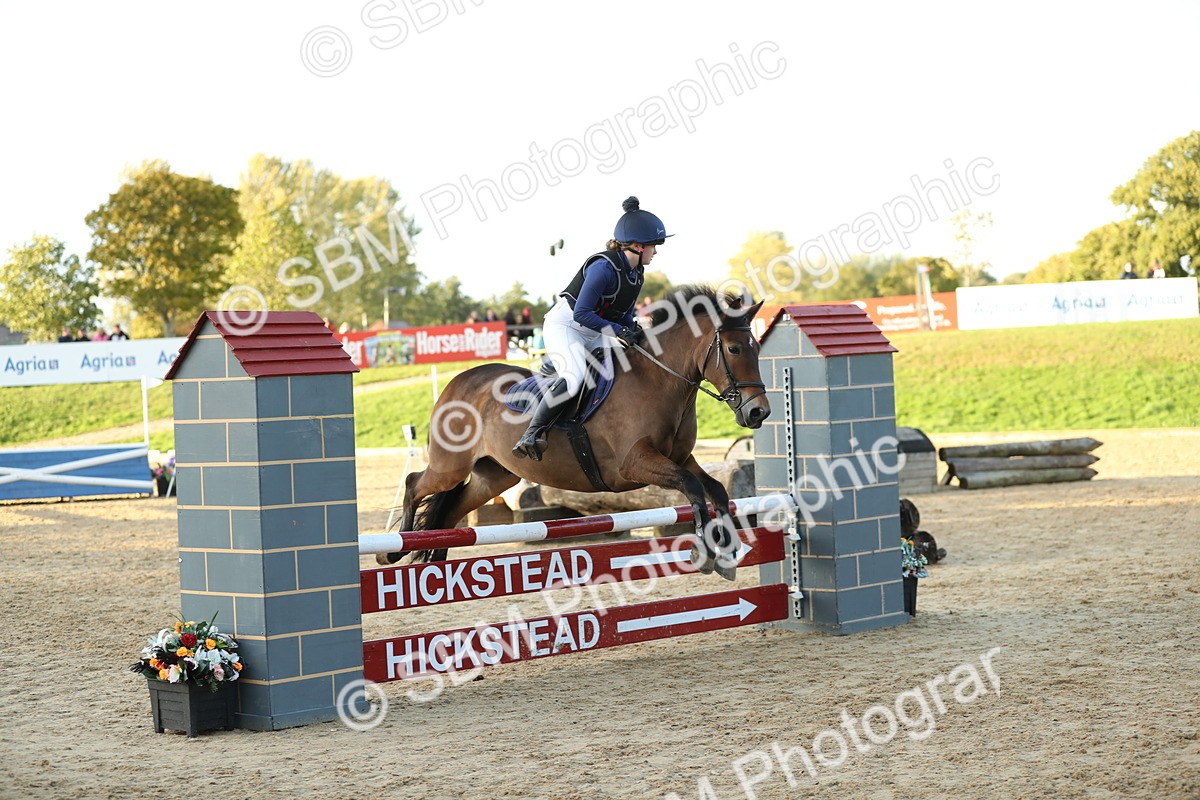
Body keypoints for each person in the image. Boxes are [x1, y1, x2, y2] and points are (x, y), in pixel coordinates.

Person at [512, 196, 669, 460]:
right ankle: (532, 433)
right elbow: (583, 313)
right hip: (567, 325)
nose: (656, 251)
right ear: (639, 246)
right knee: (574, 378)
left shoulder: (636, 273)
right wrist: (617, 331)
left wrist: (634, 330)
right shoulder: (603, 269)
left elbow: (623, 313)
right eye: (654, 246)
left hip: (594, 329)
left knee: (629, 362)